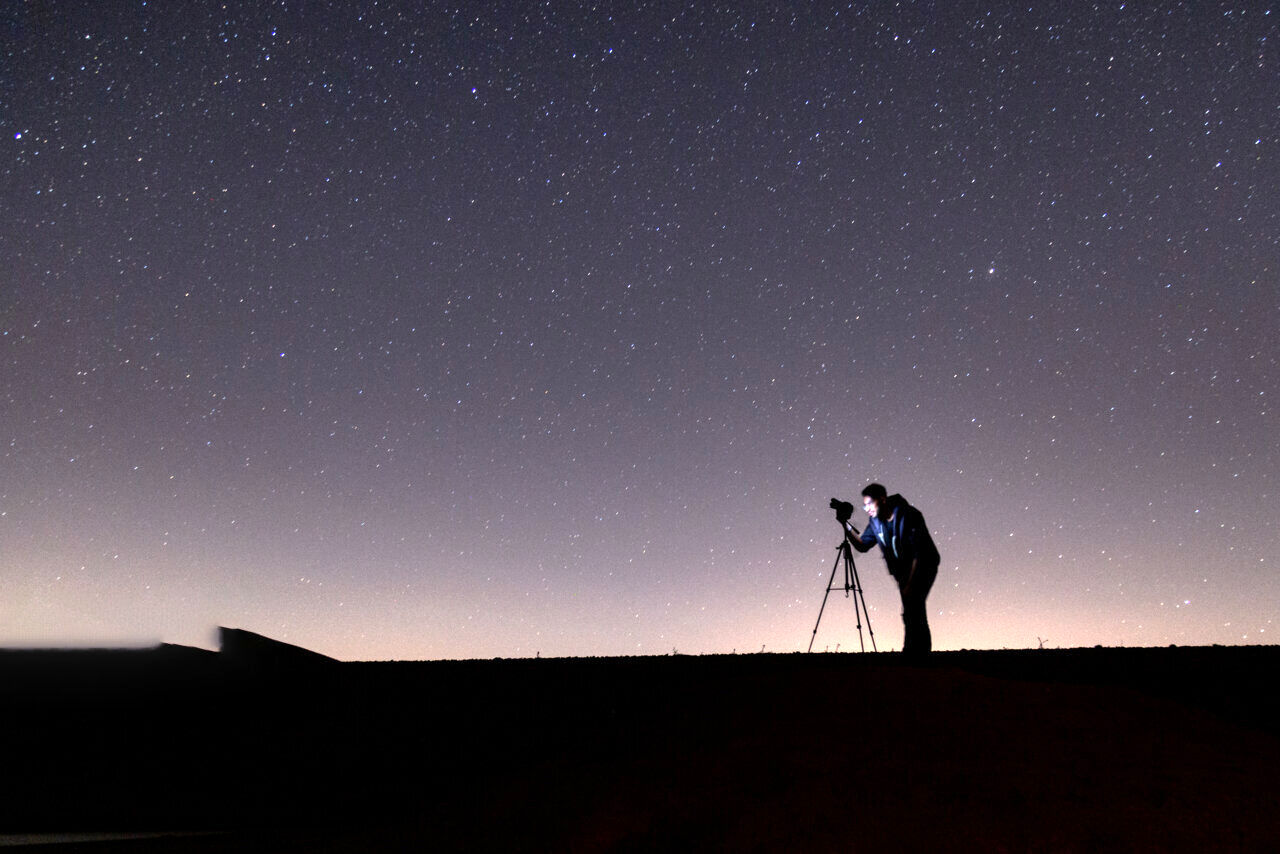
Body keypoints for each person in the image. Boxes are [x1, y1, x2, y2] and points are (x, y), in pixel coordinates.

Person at [839, 483, 939, 657]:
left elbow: (919, 552)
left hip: (924, 563)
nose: (866, 508)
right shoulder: (875, 522)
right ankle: (915, 654)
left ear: (882, 500)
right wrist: (845, 526)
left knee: (914, 607)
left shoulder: (908, 515)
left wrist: (910, 583)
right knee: (911, 610)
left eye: (870, 504)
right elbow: (863, 545)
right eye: (864, 505)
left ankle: (917, 655)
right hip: (903, 571)